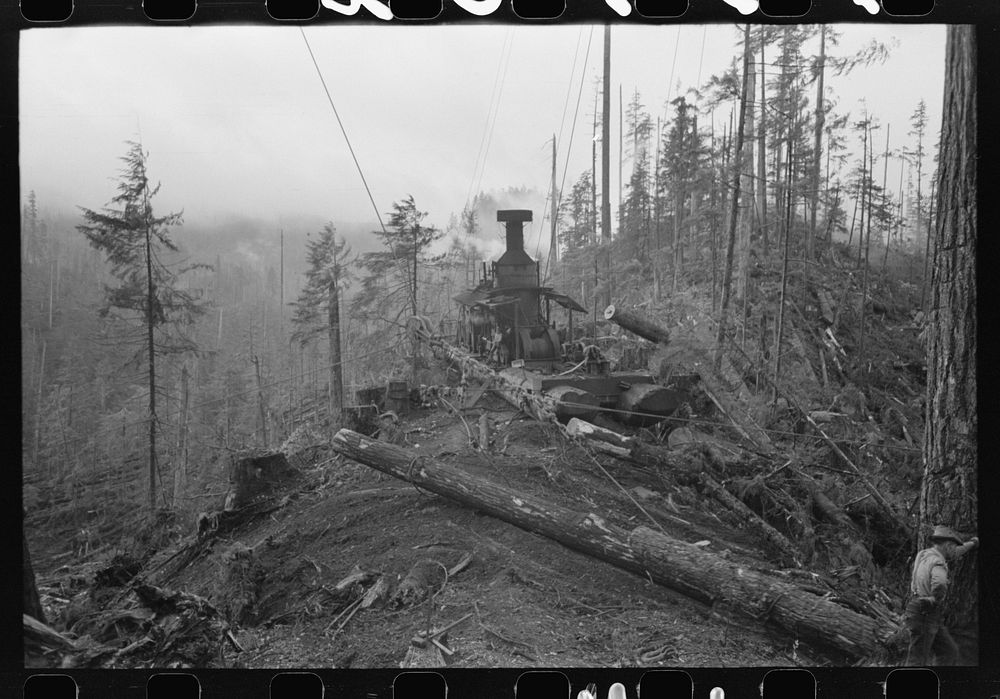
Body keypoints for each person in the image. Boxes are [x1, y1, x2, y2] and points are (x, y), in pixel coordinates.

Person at [904, 524, 979, 666]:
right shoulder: (938, 562)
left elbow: (957, 552)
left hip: (918, 609)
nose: (954, 550)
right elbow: (939, 583)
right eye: (952, 547)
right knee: (917, 660)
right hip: (925, 613)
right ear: (947, 545)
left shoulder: (923, 554)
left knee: (948, 651)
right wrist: (935, 598)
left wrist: (973, 543)